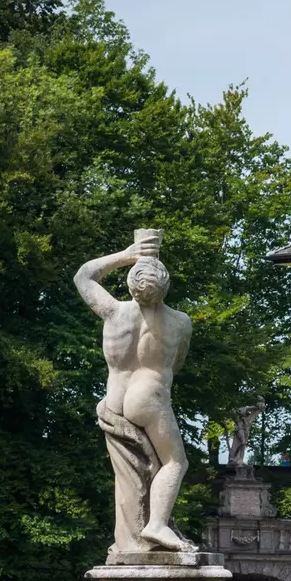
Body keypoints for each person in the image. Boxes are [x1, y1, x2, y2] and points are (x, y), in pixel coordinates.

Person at [75, 231, 196, 552]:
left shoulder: (113, 311)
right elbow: (177, 364)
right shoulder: (181, 322)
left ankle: (140, 531)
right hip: (149, 398)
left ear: (130, 284)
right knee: (174, 463)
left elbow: (83, 275)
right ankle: (156, 525)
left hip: (114, 401)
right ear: (166, 286)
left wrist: (127, 254)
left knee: (136, 473)